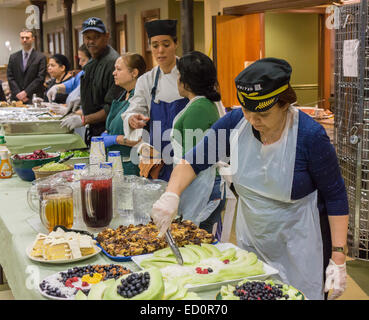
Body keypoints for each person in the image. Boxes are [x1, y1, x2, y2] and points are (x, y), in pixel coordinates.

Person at [151, 58, 349, 300]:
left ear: (285, 103)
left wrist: (338, 257)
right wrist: (172, 194)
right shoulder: (236, 124)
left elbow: (335, 195)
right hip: (252, 240)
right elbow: (192, 161)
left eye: (263, 114)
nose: (254, 121)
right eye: (247, 111)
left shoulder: (310, 136)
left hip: (300, 243)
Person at [121, 19, 188, 182]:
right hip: (158, 159)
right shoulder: (147, 80)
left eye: (166, 44)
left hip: (188, 155)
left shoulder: (189, 73)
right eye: (155, 45)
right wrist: (132, 119)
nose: (160, 51)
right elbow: (135, 108)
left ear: (176, 44)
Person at [172, 51, 225, 235]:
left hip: (204, 187)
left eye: (179, 75)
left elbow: (195, 160)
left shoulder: (199, 109)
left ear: (186, 82)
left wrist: (173, 192)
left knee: (197, 246)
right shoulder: (201, 104)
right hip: (200, 185)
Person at [61, 17, 123, 145]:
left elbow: (112, 108)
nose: (91, 41)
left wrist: (84, 119)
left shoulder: (112, 62)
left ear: (106, 36)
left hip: (107, 131)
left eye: (96, 37)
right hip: (94, 129)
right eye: (87, 38)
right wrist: (81, 102)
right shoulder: (92, 61)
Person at [101, 53, 147, 175]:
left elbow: (141, 139)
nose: (114, 73)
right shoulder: (123, 94)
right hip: (115, 163)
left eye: (119, 69)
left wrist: (115, 139)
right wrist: (107, 133)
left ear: (134, 73)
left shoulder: (140, 100)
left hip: (131, 166)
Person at [46, 44, 92, 114]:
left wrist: (69, 111)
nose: (80, 63)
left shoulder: (95, 75)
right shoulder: (83, 73)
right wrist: (57, 87)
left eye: (83, 60)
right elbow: (72, 83)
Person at [6, 28, 47, 103]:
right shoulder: (13, 57)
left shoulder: (40, 57)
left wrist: (26, 92)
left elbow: (40, 78)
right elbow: (10, 76)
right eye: (22, 38)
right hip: (16, 97)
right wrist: (18, 93)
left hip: (33, 97)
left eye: (27, 38)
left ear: (33, 39)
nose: (24, 40)